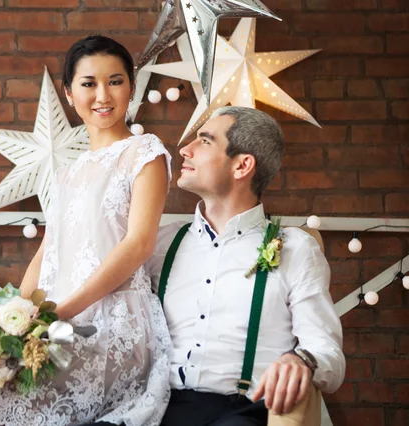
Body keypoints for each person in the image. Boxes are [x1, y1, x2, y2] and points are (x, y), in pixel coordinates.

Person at [0, 35, 173, 426]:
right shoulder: (66, 173)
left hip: (112, 327)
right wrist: (14, 322)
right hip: (55, 326)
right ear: (69, 93)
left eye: (116, 81)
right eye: (89, 83)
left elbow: (138, 245)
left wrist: (55, 315)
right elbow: (48, 251)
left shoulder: (144, 153)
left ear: (132, 86)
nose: (102, 95)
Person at [145, 106, 345, 426]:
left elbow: (328, 354)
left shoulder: (295, 248)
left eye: (205, 141)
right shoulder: (160, 245)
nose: (185, 149)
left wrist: (302, 360)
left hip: (241, 413)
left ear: (242, 165)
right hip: (159, 409)